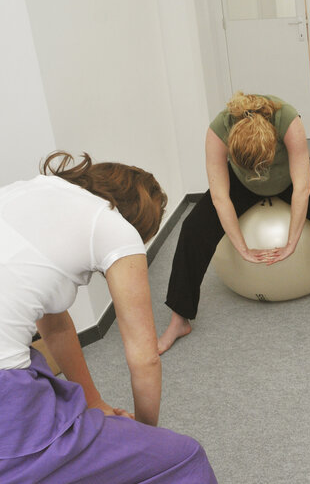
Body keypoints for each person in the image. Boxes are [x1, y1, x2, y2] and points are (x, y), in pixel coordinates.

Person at [0, 152, 217, 483]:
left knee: (46, 381)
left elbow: (55, 325)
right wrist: (145, 438)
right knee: (184, 457)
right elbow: (144, 359)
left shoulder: (32, 191)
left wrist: (94, 401)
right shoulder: (115, 226)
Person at [158, 92, 310, 354]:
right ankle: (179, 320)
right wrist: (241, 247)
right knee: (192, 229)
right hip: (239, 184)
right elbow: (220, 198)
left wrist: (291, 243)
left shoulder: (288, 121)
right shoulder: (218, 131)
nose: (259, 177)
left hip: (289, 178)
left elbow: (303, 189)